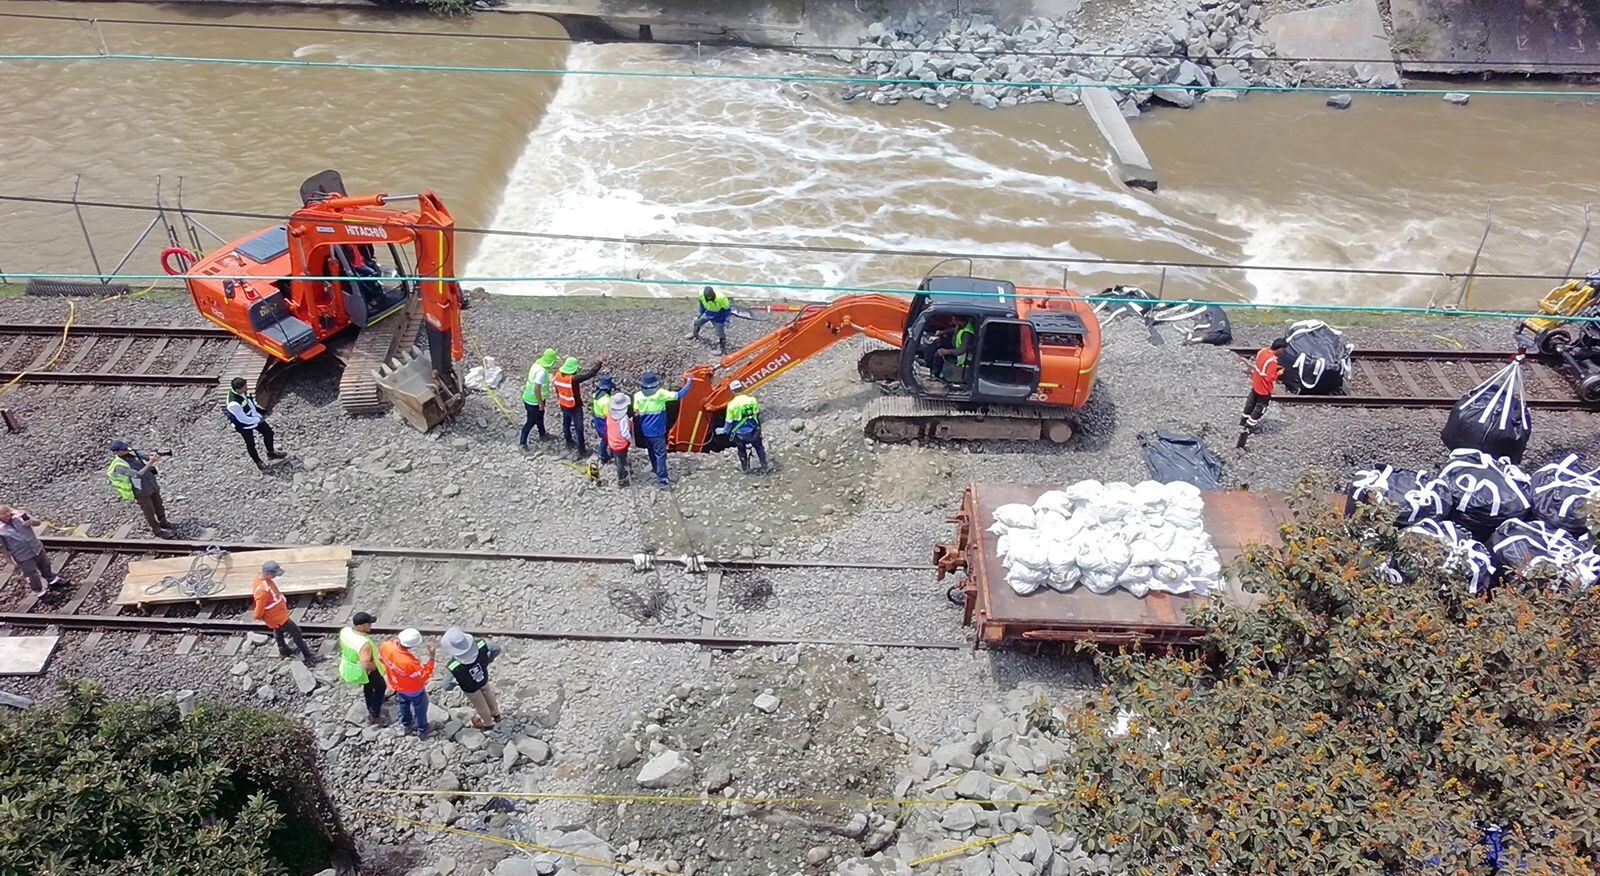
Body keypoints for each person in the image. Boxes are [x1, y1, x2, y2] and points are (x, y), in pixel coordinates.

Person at [633, 372, 695, 489]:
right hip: (657, 431)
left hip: (645, 430)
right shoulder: (660, 394)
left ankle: (655, 468)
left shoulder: (637, 396)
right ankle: (662, 480)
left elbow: (636, 412)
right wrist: (689, 382)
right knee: (661, 454)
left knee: (651, 451)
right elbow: (679, 395)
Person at [106, 440, 173, 538]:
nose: (127, 450)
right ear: (117, 452)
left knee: (159, 505)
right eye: (124, 449)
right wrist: (151, 463)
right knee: (149, 511)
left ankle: (163, 522)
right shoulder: (119, 465)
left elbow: (141, 454)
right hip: (140, 491)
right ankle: (157, 530)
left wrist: (151, 456)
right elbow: (138, 475)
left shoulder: (130, 451)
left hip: (151, 484)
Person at [252, 560, 315, 664]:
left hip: (276, 616)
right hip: (277, 617)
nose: (276, 576)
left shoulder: (260, 580)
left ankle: (283, 650)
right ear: (267, 573)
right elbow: (259, 607)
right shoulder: (264, 591)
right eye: (274, 574)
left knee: (278, 631)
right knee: (296, 632)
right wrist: (258, 616)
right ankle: (307, 655)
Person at [439, 627, 503, 729]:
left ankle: (487, 723)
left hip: (470, 687)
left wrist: (455, 685)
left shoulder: (454, 665)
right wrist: (487, 661)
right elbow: (497, 649)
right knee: (488, 693)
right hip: (483, 677)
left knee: (480, 705)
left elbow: (445, 685)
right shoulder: (481, 644)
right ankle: (496, 714)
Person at [378, 628, 436, 740]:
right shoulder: (409, 662)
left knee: (403, 703)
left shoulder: (386, 646)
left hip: (397, 685)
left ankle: (406, 724)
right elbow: (422, 677)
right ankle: (423, 729)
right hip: (413, 689)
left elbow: (381, 659)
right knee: (420, 707)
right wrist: (432, 658)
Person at [225, 377, 288, 471]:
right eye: (244, 387)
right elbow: (243, 419)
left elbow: (249, 400)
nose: (247, 388)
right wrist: (257, 419)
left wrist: (256, 410)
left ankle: (271, 453)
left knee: (269, 433)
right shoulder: (233, 404)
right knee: (250, 444)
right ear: (238, 389)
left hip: (253, 417)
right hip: (243, 425)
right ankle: (258, 462)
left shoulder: (241, 392)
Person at [338, 611, 387, 725]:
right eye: (368, 624)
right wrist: (374, 666)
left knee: (368, 686)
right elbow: (365, 664)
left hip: (350, 666)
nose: (371, 626)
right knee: (381, 687)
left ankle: (370, 704)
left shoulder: (345, 631)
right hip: (366, 671)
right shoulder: (364, 644)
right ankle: (375, 714)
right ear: (360, 626)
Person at [0, 506, 61, 597]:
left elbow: (38, 522)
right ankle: (39, 591)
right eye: (4, 513)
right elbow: (3, 549)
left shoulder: (20, 516)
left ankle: (52, 580)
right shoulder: (1, 530)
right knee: (31, 574)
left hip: (36, 548)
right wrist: (11, 563)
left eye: (8, 511)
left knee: (45, 564)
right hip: (22, 555)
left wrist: (31, 522)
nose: (8, 514)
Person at [552, 356, 605, 459]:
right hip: (574, 406)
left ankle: (568, 441)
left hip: (563, 404)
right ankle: (582, 450)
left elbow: (557, 390)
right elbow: (590, 374)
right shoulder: (573, 379)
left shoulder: (557, 376)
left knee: (566, 424)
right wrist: (599, 363)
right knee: (579, 428)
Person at [1239, 337, 1288, 449]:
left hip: (1256, 384)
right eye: (1283, 349)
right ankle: (1248, 427)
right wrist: (1278, 373)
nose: (1283, 352)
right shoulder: (1272, 360)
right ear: (1279, 349)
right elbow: (1269, 378)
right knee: (1260, 408)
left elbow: (1260, 366)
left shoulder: (1262, 351)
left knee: (1250, 403)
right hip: (1264, 389)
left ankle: (1243, 421)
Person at [720, 380, 770, 474]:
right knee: (759, 448)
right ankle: (764, 466)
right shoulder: (752, 400)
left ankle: (745, 468)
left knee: (741, 450)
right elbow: (757, 414)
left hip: (740, 434)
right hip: (754, 431)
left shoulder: (731, 405)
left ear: (732, 391)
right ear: (742, 388)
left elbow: (729, 422)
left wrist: (725, 432)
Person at [520, 348, 559, 449]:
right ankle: (523, 443)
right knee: (531, 421)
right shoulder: (541, 372)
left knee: (540, 416)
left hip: (529, 398)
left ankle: (542, 433)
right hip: (534, 401)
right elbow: (537, 389)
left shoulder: (537, 365)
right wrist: (540, 402)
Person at [687, 286, 733, 353]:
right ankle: (695, 333)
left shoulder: (721, 298)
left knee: (719, 332)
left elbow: (727, 310)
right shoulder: (701, 295)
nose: (709, 298)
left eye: (710, 297)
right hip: (708, 311)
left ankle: (722, 348)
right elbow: (702, 304)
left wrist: (727, 320)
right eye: (707, 297)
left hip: (719, 314)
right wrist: (700, 313)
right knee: (697, 321)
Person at [605, 392, 634, 487]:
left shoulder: (609, 414)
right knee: (621, 460)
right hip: (620, 444)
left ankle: (622, 469)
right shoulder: (623, 418)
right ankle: (621, 479)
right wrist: (631, 441)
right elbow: (625, 433)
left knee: (617, 458)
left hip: (612, 441)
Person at [591, 375, 617, 465]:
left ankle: (604, 455)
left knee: (604, 438)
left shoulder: (596, 395)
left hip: (598, 420)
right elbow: (608, 414)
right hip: (604, 423)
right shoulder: (606, 400)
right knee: (606, 439)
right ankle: (604, 456)